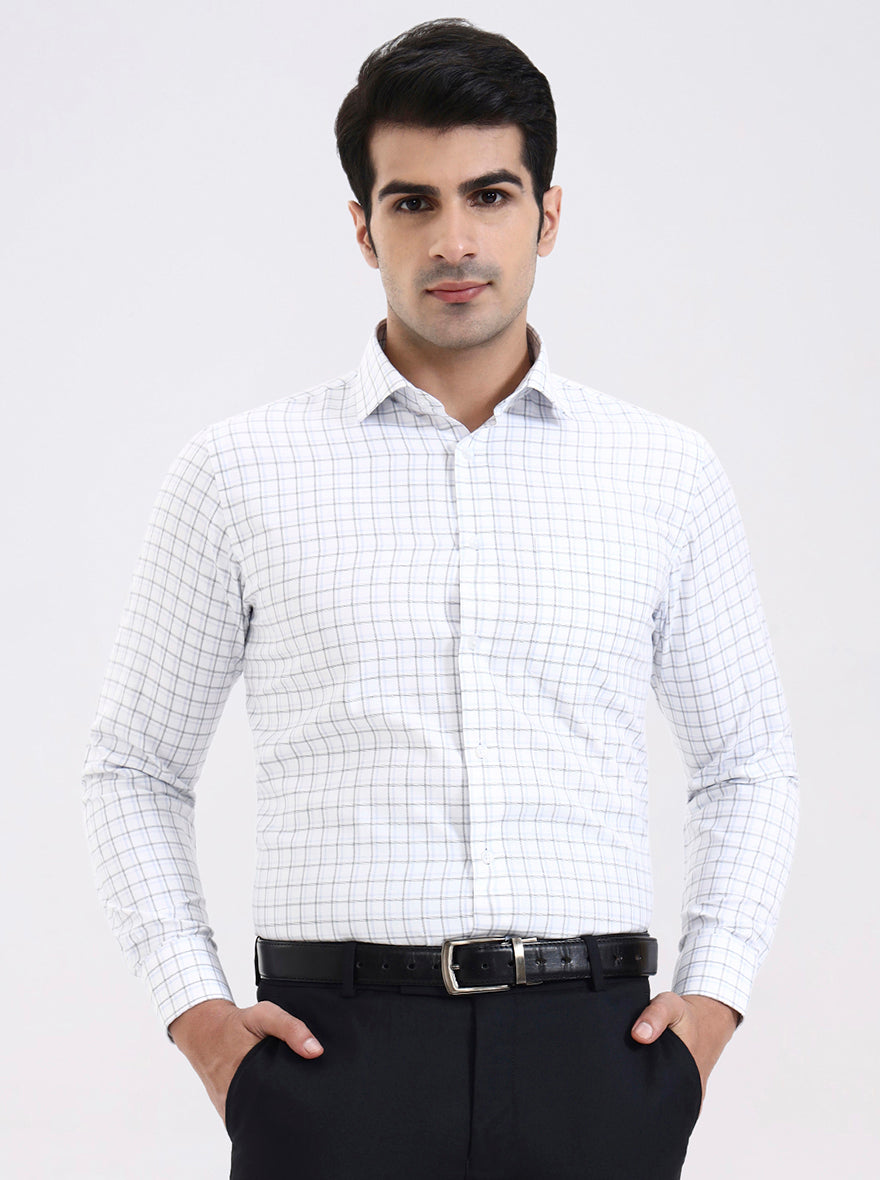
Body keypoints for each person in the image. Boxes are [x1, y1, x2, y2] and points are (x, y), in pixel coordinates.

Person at [82, 18, 798, 1180]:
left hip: (594, 1055)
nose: (454, 239)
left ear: (546, 216)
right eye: (412, 202)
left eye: (490, 195)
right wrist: (203, 1023)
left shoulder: (662, 473)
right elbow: (133, 766)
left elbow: (747, 760)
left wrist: (707, 1009)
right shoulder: (240, 473)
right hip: (333, 1059)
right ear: (363, 227)